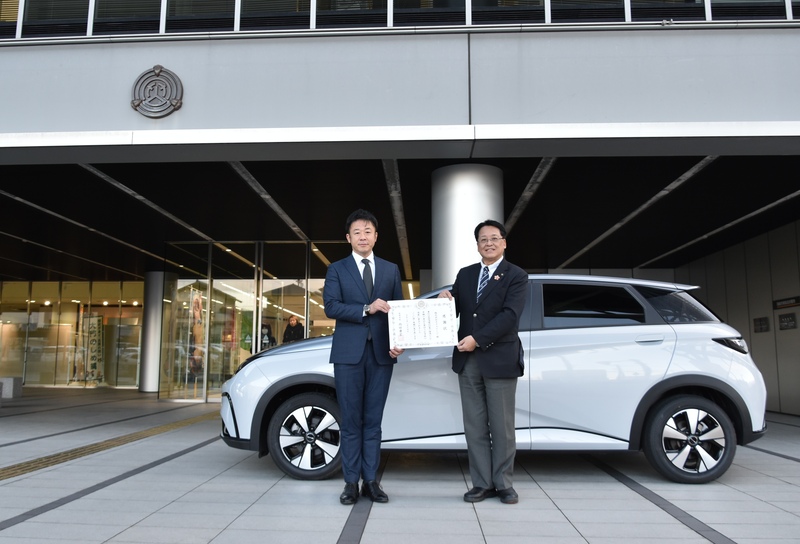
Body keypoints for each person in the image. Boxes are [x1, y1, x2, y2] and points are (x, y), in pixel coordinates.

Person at [438, 219, 528, 505]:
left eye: (493, 238)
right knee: (475, 425)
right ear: (476, 245)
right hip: (468, 359)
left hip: (499, 357)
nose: (488, 243)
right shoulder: (465, 274)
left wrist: (477, 339)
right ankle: (481, 483)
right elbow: (457, 310)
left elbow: (509, 316)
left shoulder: (516, 275)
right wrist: (444, 300)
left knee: (502, 426)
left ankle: (504, 484)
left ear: (504, 242)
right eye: (482, 239)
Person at [323, 209, 404, 505]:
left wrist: (400, 342)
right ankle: (350, 482)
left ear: (376, 236)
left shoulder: (390, 269)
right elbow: (331, 307)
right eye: (357, 232)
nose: (363, 236)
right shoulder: (337, 269)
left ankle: (371, 481)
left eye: (368, 231)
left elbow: (397, 312)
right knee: (351, 419)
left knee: (373, 420)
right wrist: (365, 309)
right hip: (348, 354)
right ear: (348, 237)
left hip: (382, 354)